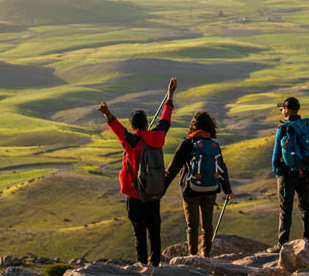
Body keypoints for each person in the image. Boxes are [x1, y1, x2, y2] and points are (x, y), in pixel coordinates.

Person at [98, 77, 177, 267]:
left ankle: (142, 265)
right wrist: (170, 94)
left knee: (139, 233)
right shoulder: (158, 137)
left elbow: (117, 129)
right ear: (146, 123)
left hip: (135, 193)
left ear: (133, 125)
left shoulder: (131, 141)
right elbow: (165, 119)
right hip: (154, 192)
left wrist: (107, 113)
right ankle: (156, 265)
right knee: (155, 231)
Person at [164, 111, 235, 258]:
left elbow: (173, 168)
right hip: (211, 189)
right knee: (207, 225)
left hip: (191, 190)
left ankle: (193, 255)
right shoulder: (214, 145)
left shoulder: (187, 143)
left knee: (192, 226)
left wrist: (160, 189)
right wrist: (228, 190)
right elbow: (221, 168)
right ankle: (206, 254)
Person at [268, 96, 309, 252]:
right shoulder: (307, 126)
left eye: (282, 108)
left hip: (287, 174)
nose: (282, 111)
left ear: (287, 110)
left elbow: (276, 154)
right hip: (305, 173)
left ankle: (282, 243)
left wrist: (278, 172)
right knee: (305, 206)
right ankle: (308, 239)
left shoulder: (283, 128)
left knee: (285, 209)